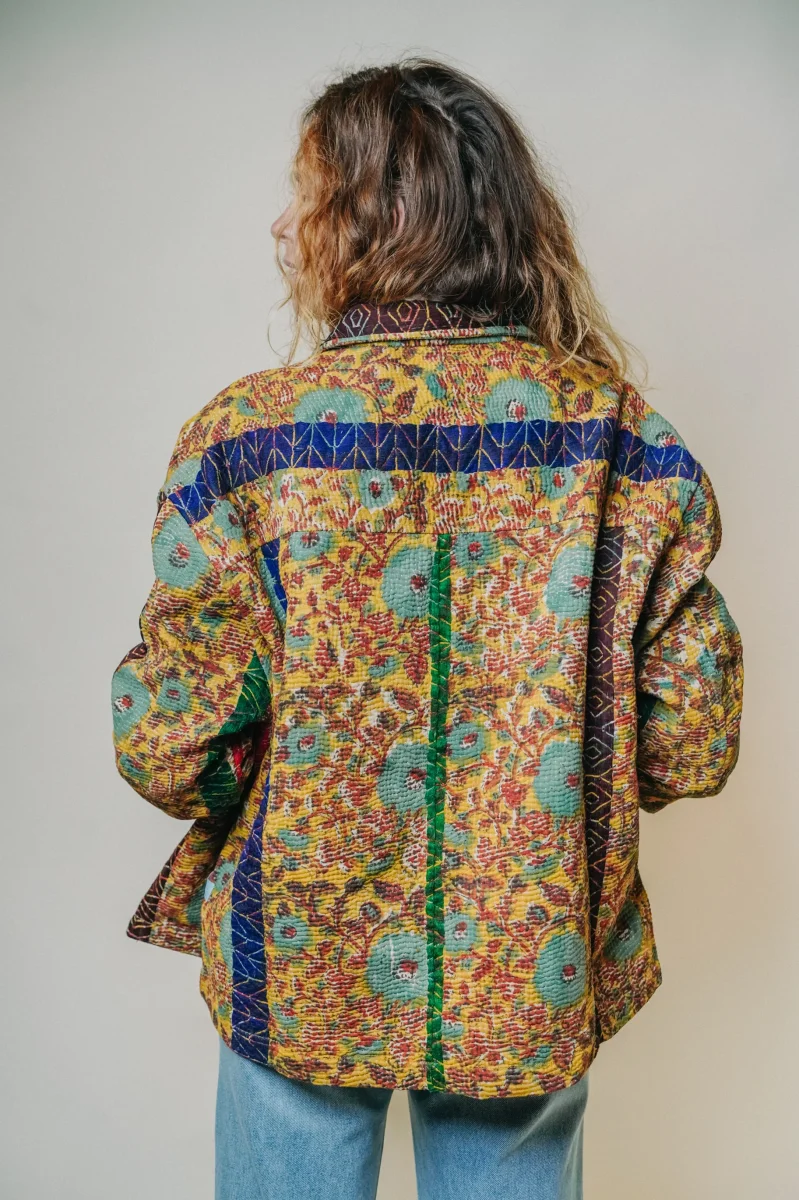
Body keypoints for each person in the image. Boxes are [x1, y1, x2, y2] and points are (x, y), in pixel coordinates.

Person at [110, 56, 744, 1200]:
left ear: (374, 214)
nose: (281, 225)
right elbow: (691, 736)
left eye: (305, 194)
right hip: (531, 957)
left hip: (295, 948)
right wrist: (555, 793)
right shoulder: (620, 439)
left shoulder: (245, 441)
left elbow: (170, 744)